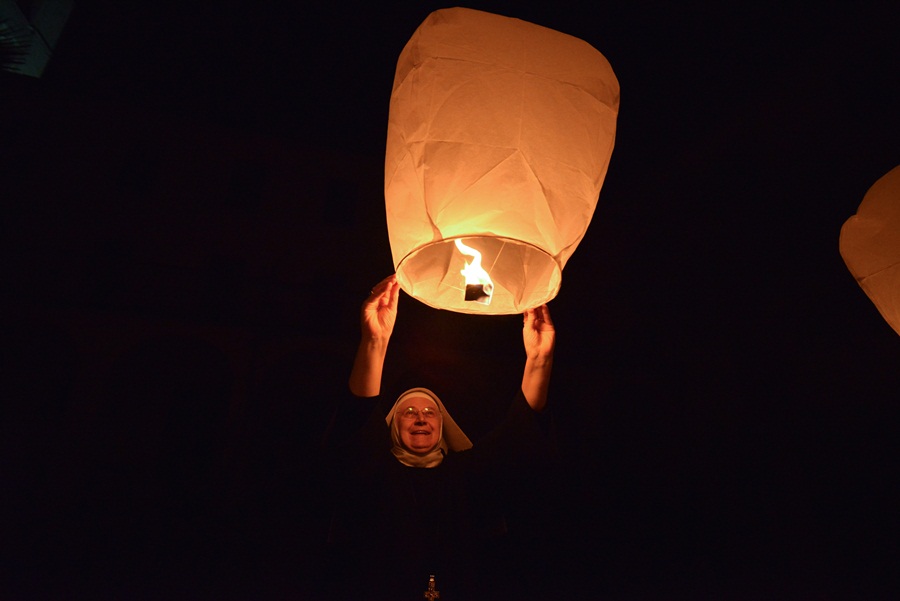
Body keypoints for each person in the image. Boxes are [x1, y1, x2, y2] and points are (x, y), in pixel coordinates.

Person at [322, 274, 556, 601]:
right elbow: (355, 427)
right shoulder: (373, 472)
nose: (420, 417)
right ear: (391, 426)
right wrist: (374, 343)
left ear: (443, 425)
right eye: (409, 411)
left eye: (430, 412)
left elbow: (517, 441)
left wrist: (539, 359)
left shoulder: (466, 475)